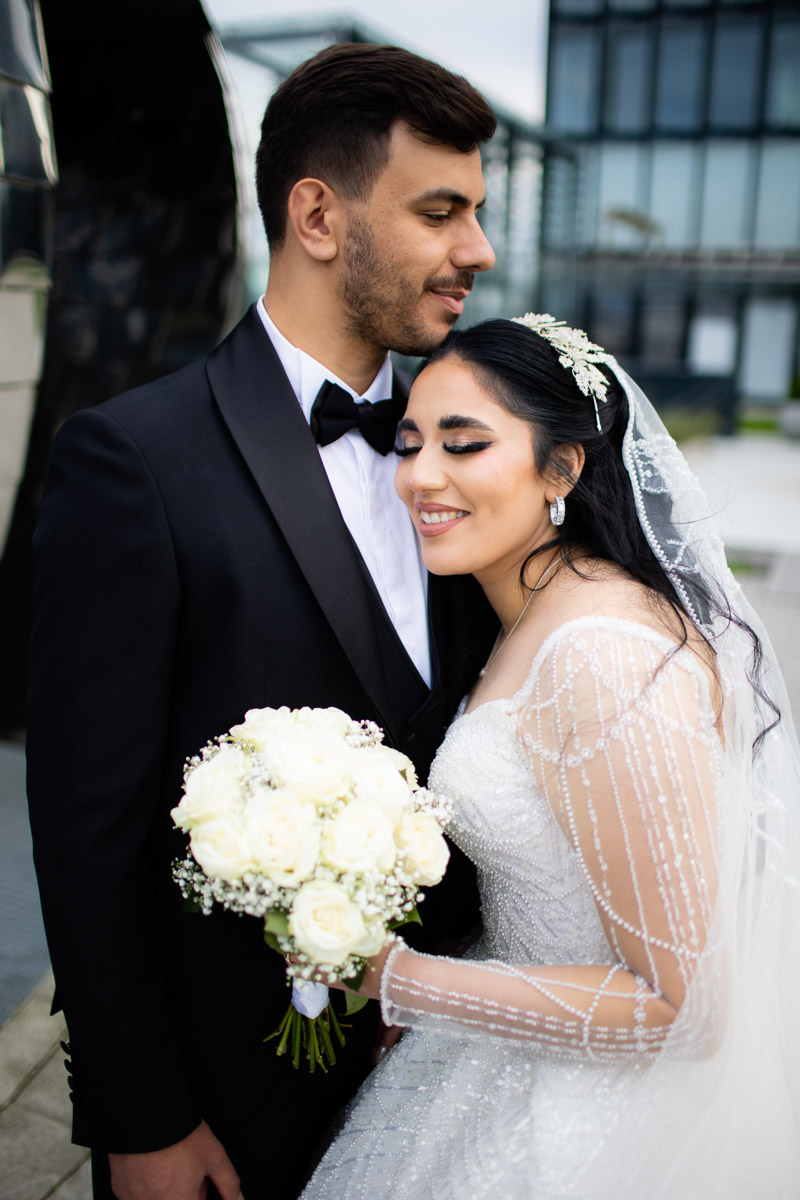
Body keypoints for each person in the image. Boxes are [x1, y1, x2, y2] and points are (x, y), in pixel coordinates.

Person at [26, 43, 498, 1200]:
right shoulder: (131, 460)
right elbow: (88, 834)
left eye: (476, 213)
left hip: (466, 1090)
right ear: (317, 216)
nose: (476, 253)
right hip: (231, 1107)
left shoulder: (482, 455)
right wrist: (140, 1120)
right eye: (440, 212)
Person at [301, 315, 800, 1199]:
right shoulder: (527, 615)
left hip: (588, 1125)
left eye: (465, 445)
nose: (421, 476)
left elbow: (685, 1007)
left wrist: (398, 979)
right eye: (410, 444)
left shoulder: (603, 654)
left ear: (563, 468)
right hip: (501, 1059)